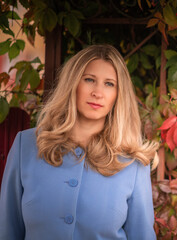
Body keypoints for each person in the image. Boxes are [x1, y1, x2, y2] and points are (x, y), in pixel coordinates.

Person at [0, 44, 159, 240]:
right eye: (89, 79)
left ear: (118, 95)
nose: (98, 93)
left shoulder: (132, 164)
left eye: (109, 84)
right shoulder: (26, 145)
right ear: (72, 84)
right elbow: (7, 230)